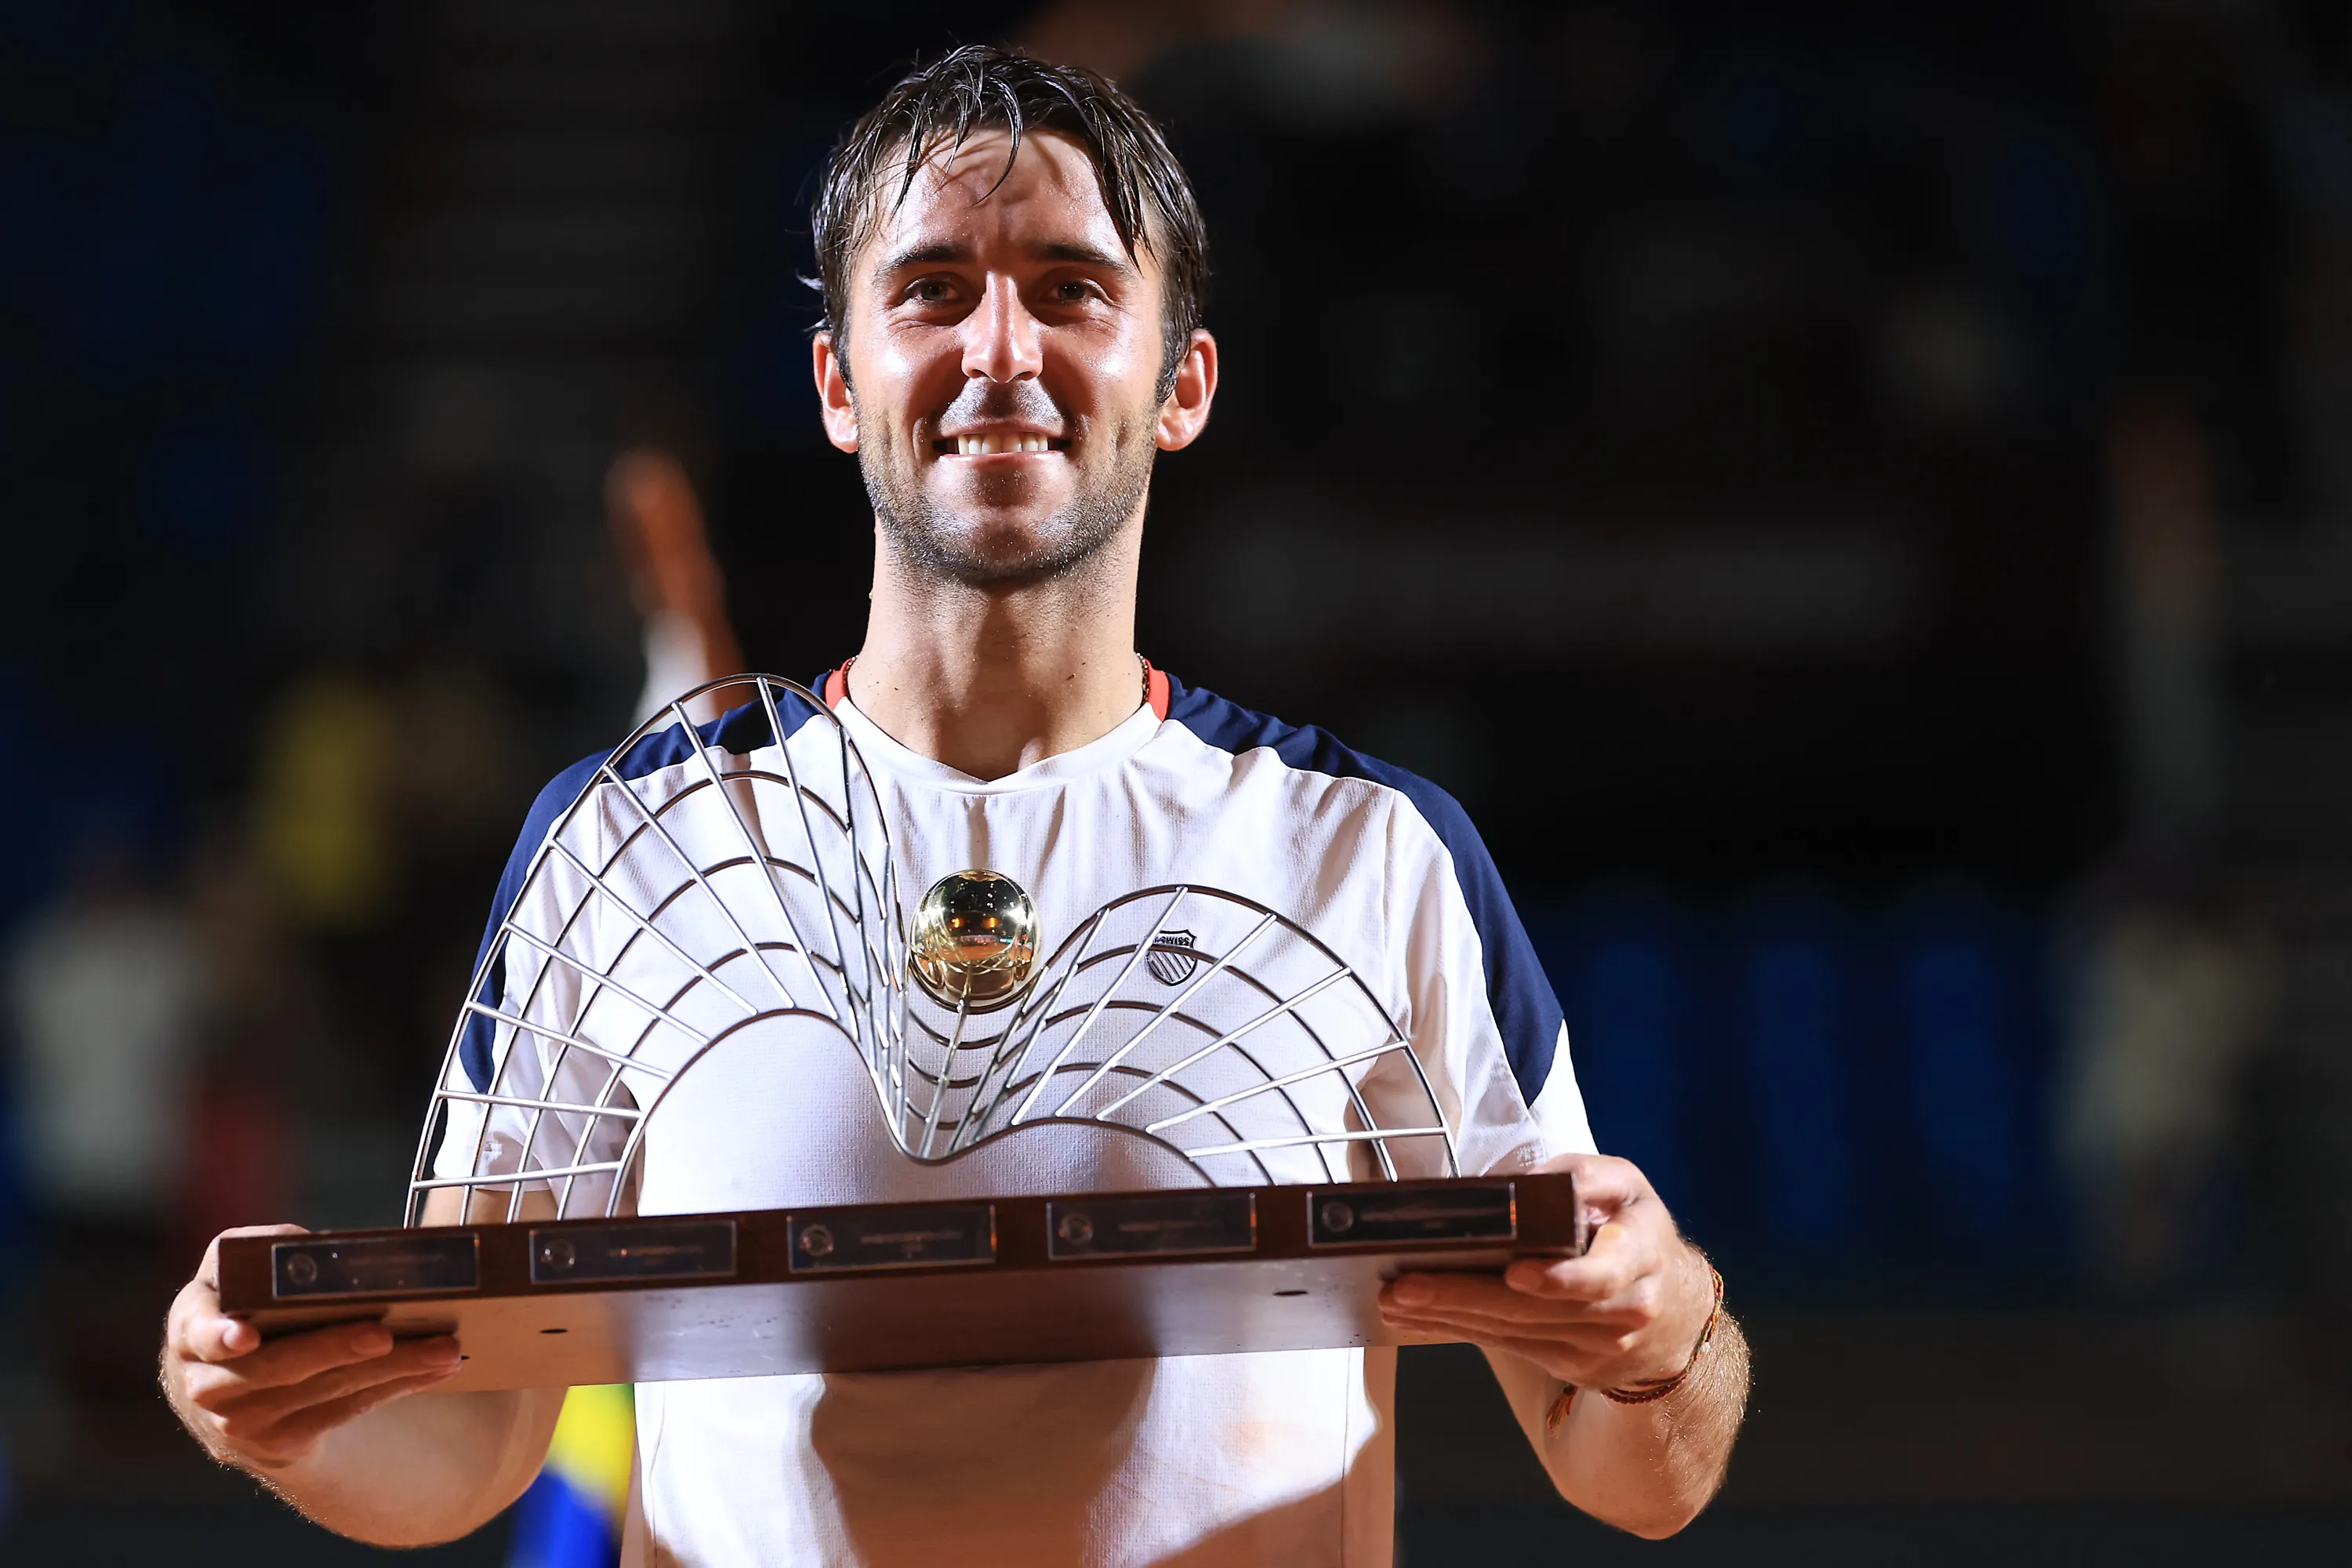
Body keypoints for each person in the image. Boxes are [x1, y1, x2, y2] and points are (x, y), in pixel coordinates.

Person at [162, 46, 1748, 1563]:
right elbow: (462, 1440)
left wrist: (1670, 1338)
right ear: (841, 382)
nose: (1000, 349)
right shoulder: (633, 842)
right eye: (933, 292)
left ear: (1179, 383)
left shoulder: (1366, 854)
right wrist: (268, 1408)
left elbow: (1629, 1467)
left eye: (1070, 288)